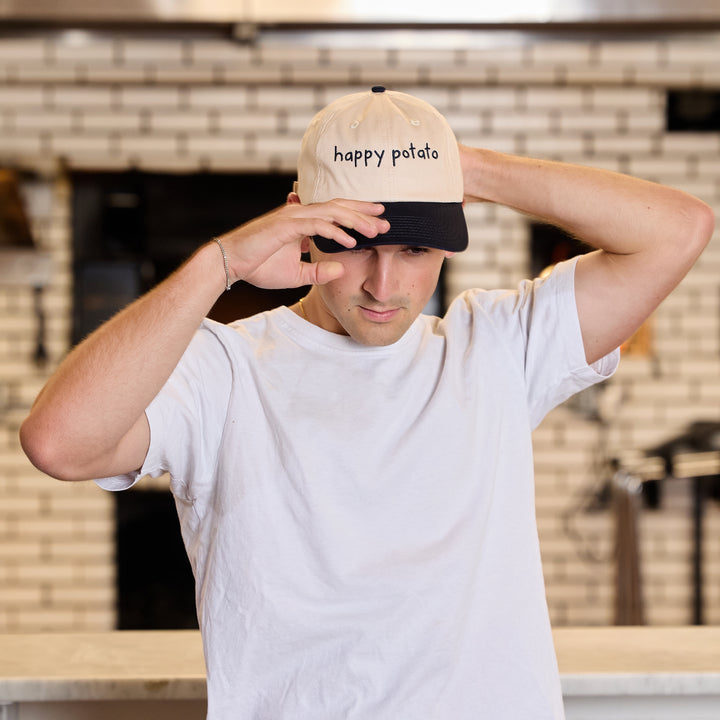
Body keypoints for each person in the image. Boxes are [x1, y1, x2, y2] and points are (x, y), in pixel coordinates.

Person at [20, 86, 713, 719]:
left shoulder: (494, 347)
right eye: (357, 244)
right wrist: (219, 265)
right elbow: (58, 443)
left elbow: (679, 228)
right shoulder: (223, 369)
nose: (385, 285)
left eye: (416, 247)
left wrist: (462, 169)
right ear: (302, 220)